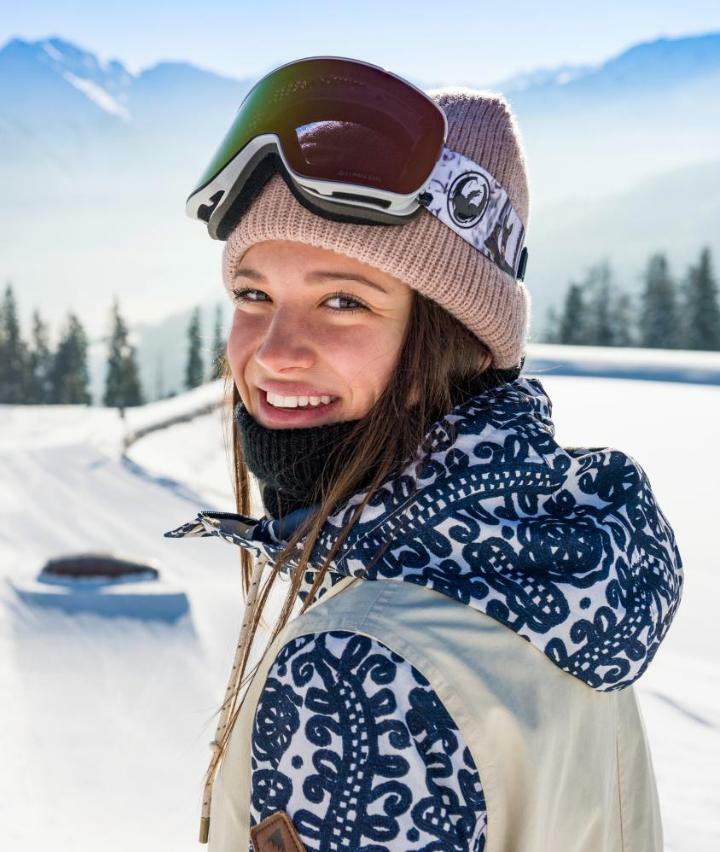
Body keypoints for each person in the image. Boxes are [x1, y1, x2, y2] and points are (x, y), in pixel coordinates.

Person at [164, 57, 683, 851]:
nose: (272, 353)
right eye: (253, 294)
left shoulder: (355, 671)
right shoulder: (550, 580)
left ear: (461, 344)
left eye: (344, 301)